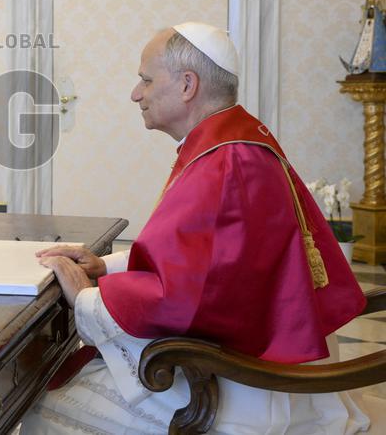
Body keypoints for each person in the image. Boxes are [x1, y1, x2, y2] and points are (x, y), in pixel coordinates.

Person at [21, 23, 369, 434]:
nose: (136, 94)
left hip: (241, 390)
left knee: (41, 405)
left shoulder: (226, 162)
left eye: (146, 80)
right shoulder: (232, 142)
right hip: (251, 360)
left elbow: (188, 298)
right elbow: (204, 262)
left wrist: (86, 297)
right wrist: (106, 267)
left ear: (188, 85)